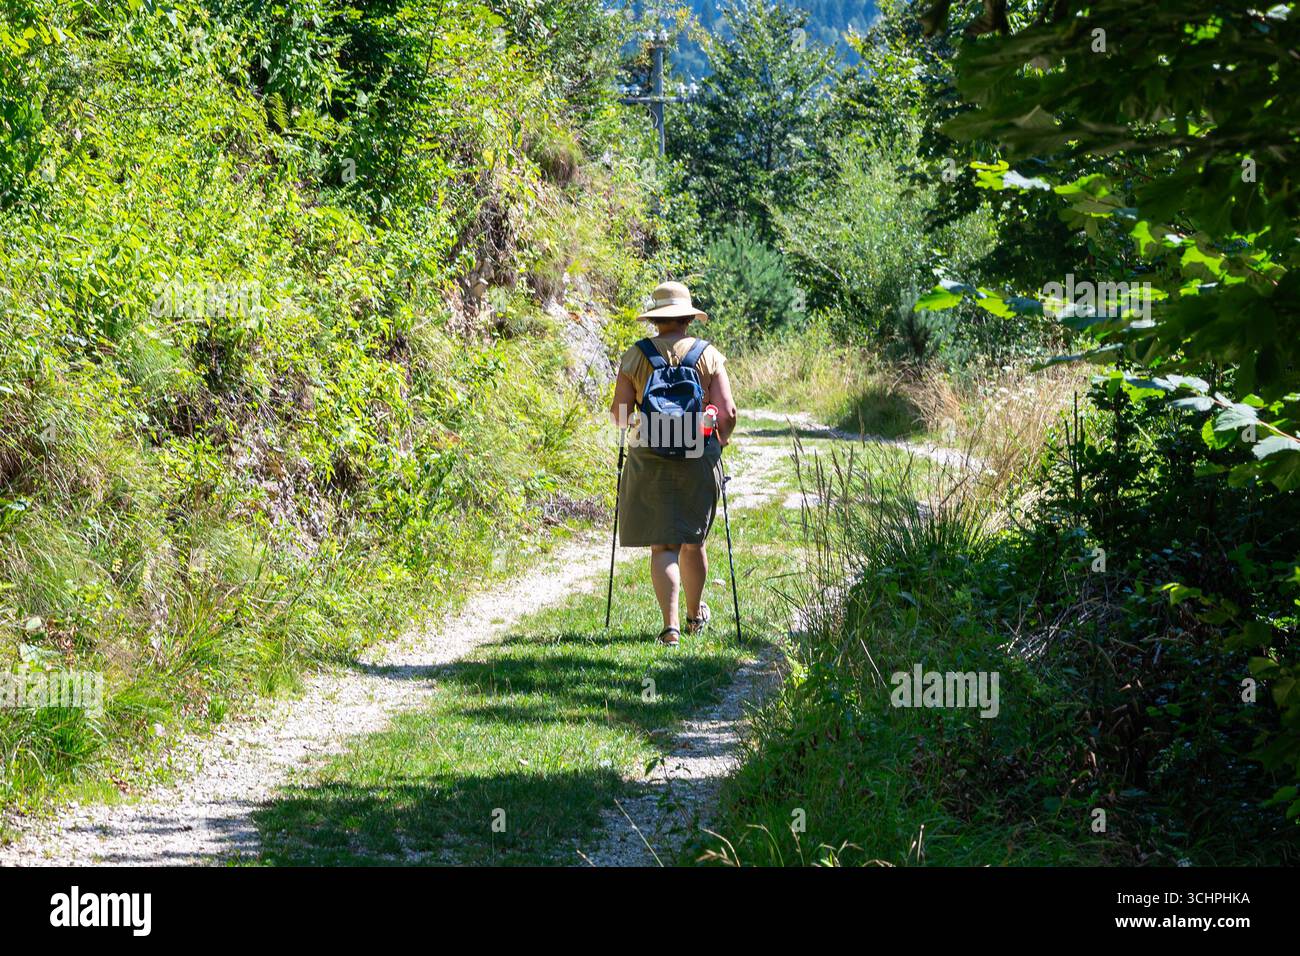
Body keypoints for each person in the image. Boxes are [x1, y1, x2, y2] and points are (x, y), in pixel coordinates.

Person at [608, 281, 738, 647]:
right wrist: (719, 442)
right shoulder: (707, 354)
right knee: (693, 541)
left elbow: (619, 415)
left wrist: (637, 423)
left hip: (649, 453)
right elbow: (726, 411)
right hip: (697, 450)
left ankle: (670, 627)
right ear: (688, 318)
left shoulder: (635, 356)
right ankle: (696, 617)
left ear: (656, 320)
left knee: (663, 544)